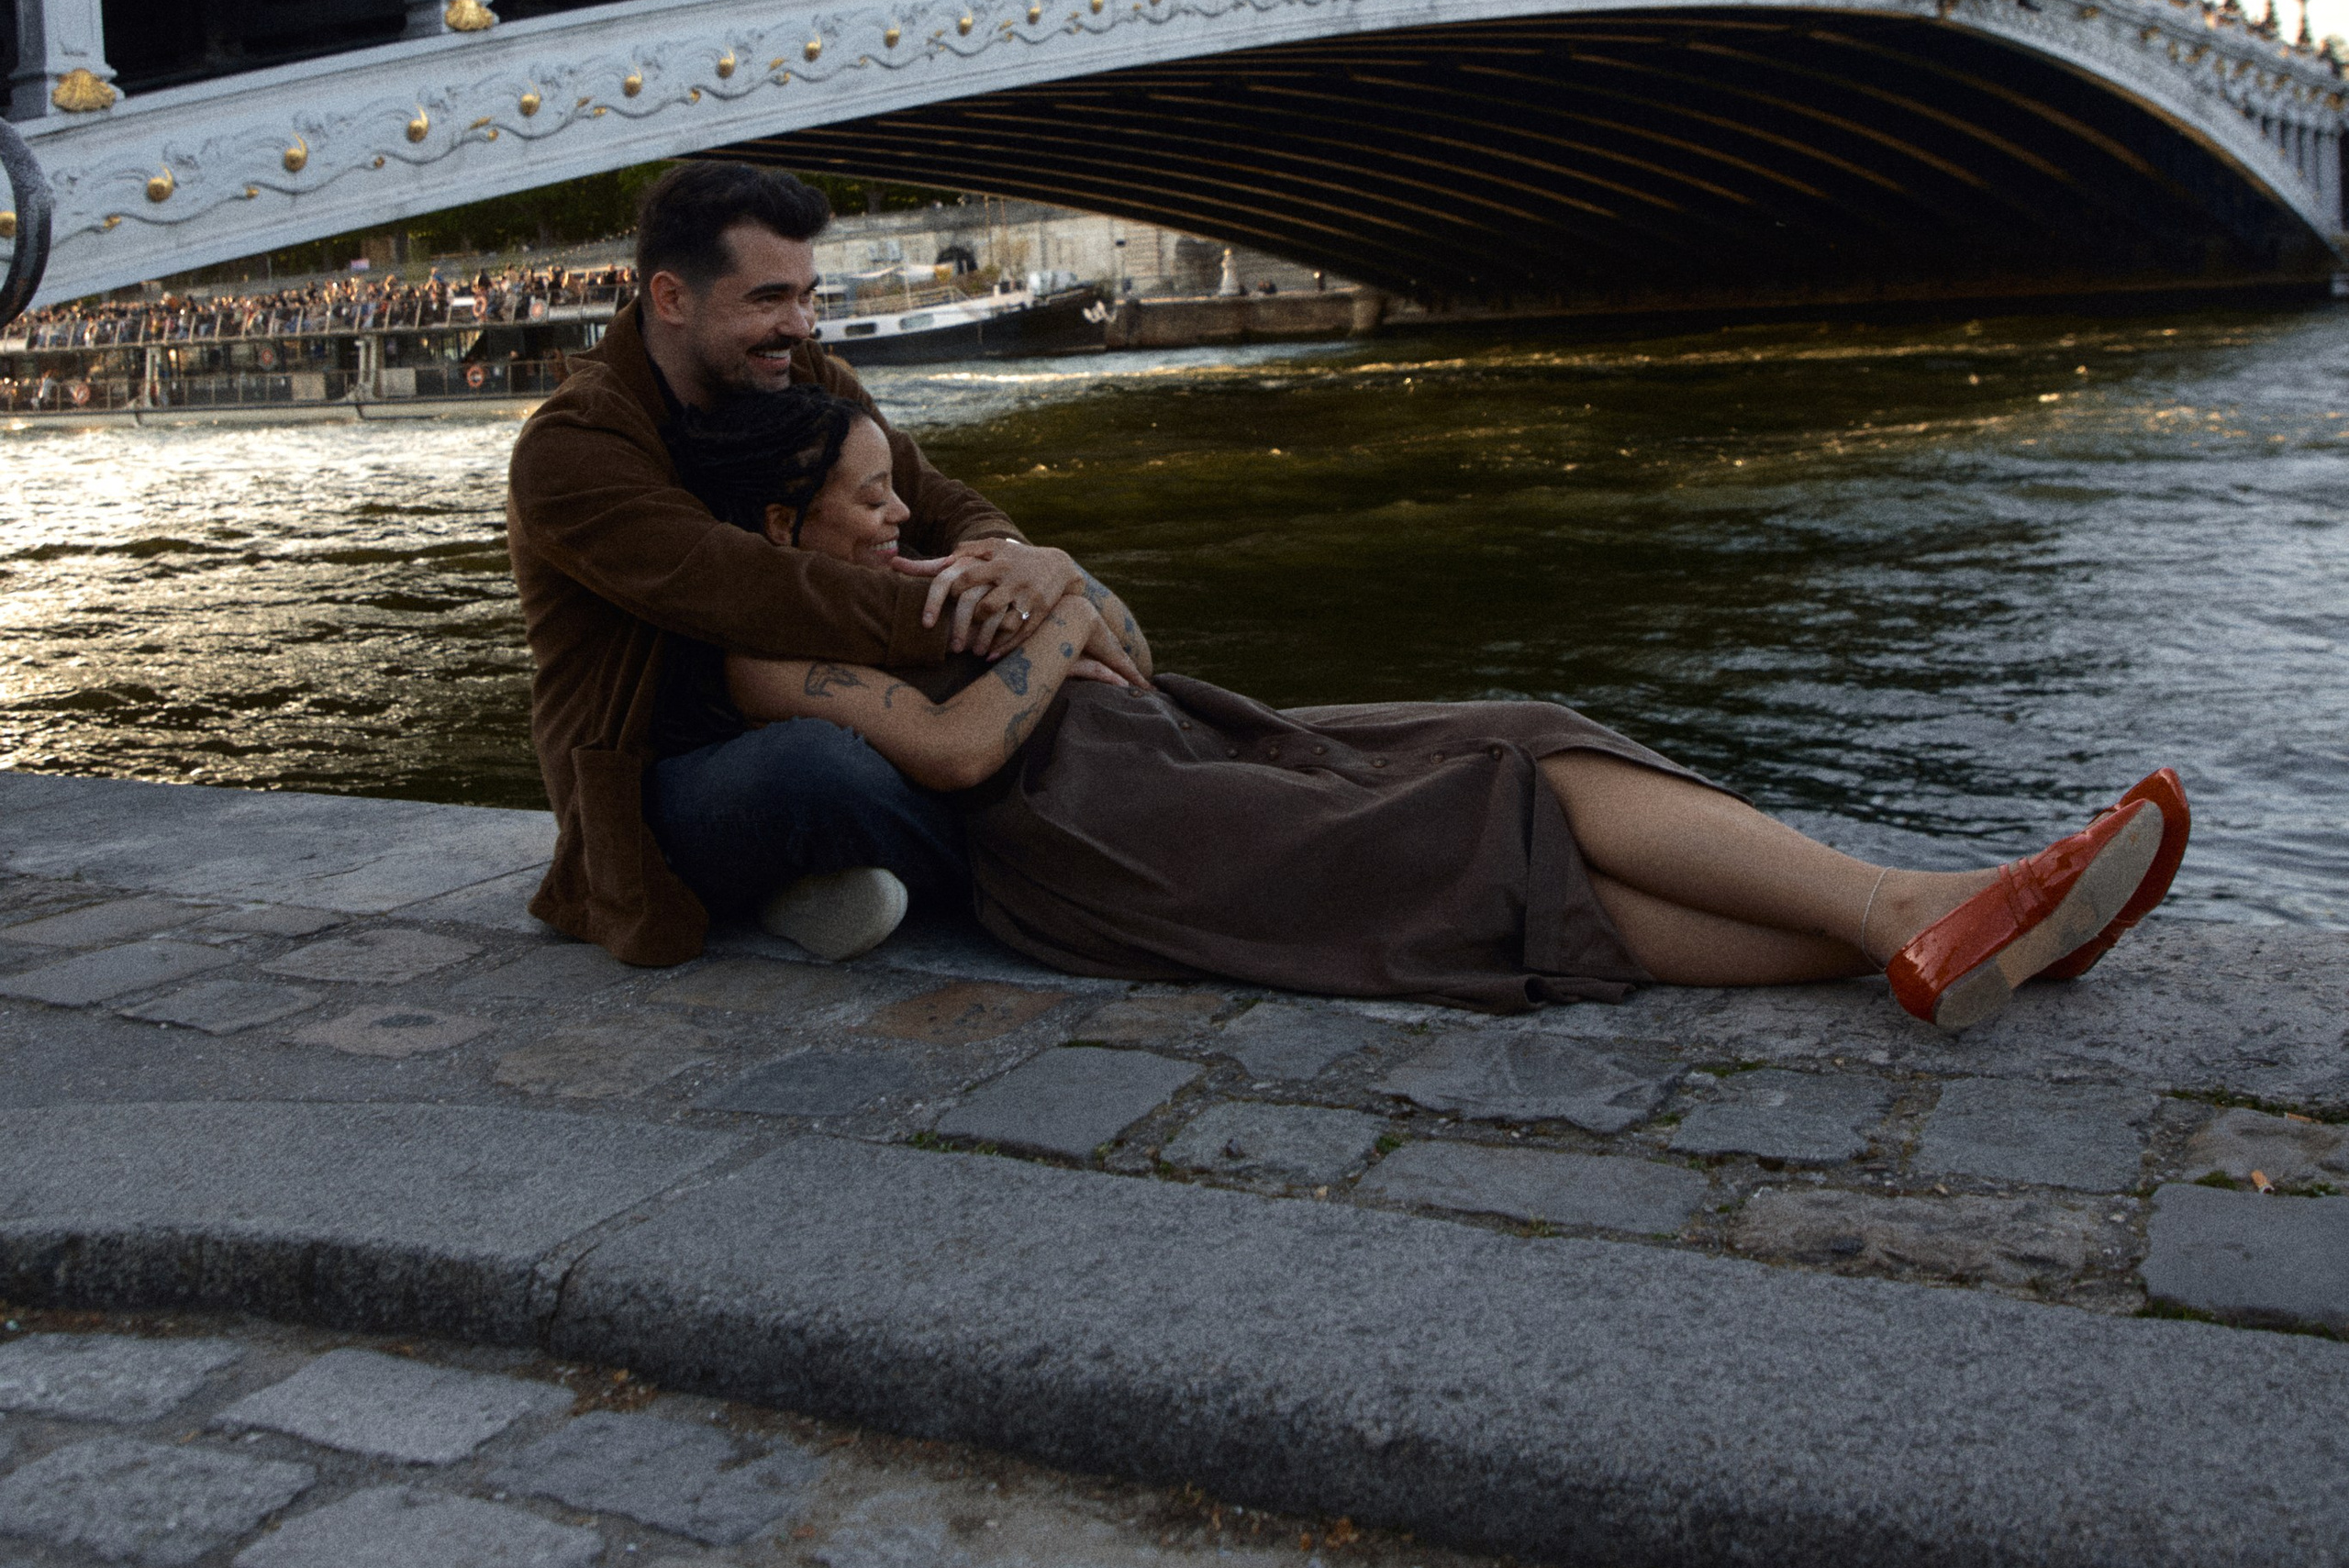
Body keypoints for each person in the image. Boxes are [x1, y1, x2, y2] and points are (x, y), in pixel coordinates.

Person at [657, 384, 2191, 1031]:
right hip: (1104, 834)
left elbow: (1127, 641)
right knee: (1492, 820)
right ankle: (1928, 908)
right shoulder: (766, 650)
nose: (896, 519)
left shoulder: (924, 580)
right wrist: (1050, 620)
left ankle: (1934, 934)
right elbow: (964, 744)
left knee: (1519, 735)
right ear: (781, 528)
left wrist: (1067, 591)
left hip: (1183, 744)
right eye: (865, 504)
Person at [507, 158, 1152, 972]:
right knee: (816, 771)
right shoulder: (574, 448)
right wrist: (975, 618)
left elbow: (929, 495)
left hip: (854, 702)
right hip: (668, 773)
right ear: (671, 299)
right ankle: (1050, 870)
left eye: (808, 295)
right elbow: (752, 590)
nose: (803, 325)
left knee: (1036, 644)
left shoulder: (798, 373)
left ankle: (827, 879)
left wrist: (1018, 565)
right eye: (770, 299)